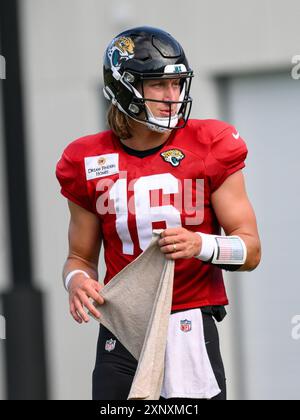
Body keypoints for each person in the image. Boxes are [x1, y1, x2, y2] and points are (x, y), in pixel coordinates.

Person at [56, 26, 261, 401]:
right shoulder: (85, 159)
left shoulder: (210, 143)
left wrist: (200, 244)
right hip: (122, 328)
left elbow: (250, 251)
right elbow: (79, 258)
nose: (173, 97)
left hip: (189, 324)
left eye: (178, 84)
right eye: (158, 86)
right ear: (124, 87)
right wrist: (77, 283)